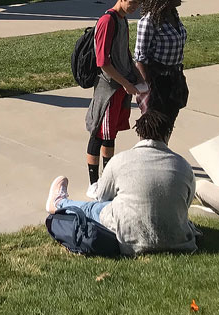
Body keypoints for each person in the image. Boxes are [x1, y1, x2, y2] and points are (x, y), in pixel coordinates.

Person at [45, 110, 197, 256]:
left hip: (129, 241)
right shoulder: (183, 166)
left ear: (140, 133)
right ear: (168, 134)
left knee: (94, 208)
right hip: (179, 241)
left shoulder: (120, 160)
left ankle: (59, 203)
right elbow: (185, 203)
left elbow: (102, 196)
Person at [84, 0, 146, 197]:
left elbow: (124, 52)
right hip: (108, 88)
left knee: (110, 135)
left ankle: (107, 179)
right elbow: (103, 62)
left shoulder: (122, 20)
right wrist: (125, 83)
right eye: (132, 2)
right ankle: (94, 183)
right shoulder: (107, 21)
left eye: (138, 4)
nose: (134, 7)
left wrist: (136, 76)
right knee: (99, 133)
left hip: (121, 86)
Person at [134, 0, 189, 131]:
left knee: (169, 122)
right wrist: (147, 88)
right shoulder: (149, 21)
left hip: (175, 76)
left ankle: (164, 148)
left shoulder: (174, 16)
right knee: (155, 126)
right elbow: (140, 57)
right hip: (157, 80)